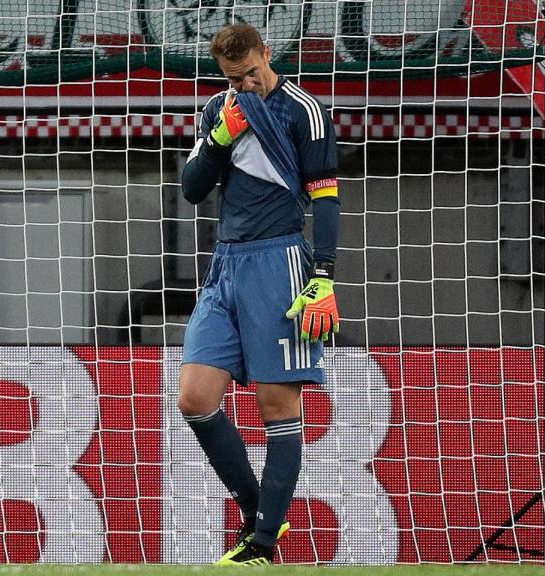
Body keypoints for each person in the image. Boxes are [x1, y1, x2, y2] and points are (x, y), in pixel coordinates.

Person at [178, 23, 341, 567]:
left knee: (277, 406)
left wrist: (324, 276)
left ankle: (263, 544)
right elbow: (193, 189)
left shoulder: (304, 112)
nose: (245, 84)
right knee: (195, 399)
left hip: (281, 261)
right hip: (226, 264)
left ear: (267, 55)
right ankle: (260, 516)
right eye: (233, 77)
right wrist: (220, 138)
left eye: (251, 73)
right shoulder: (219, 110)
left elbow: (326, 200)